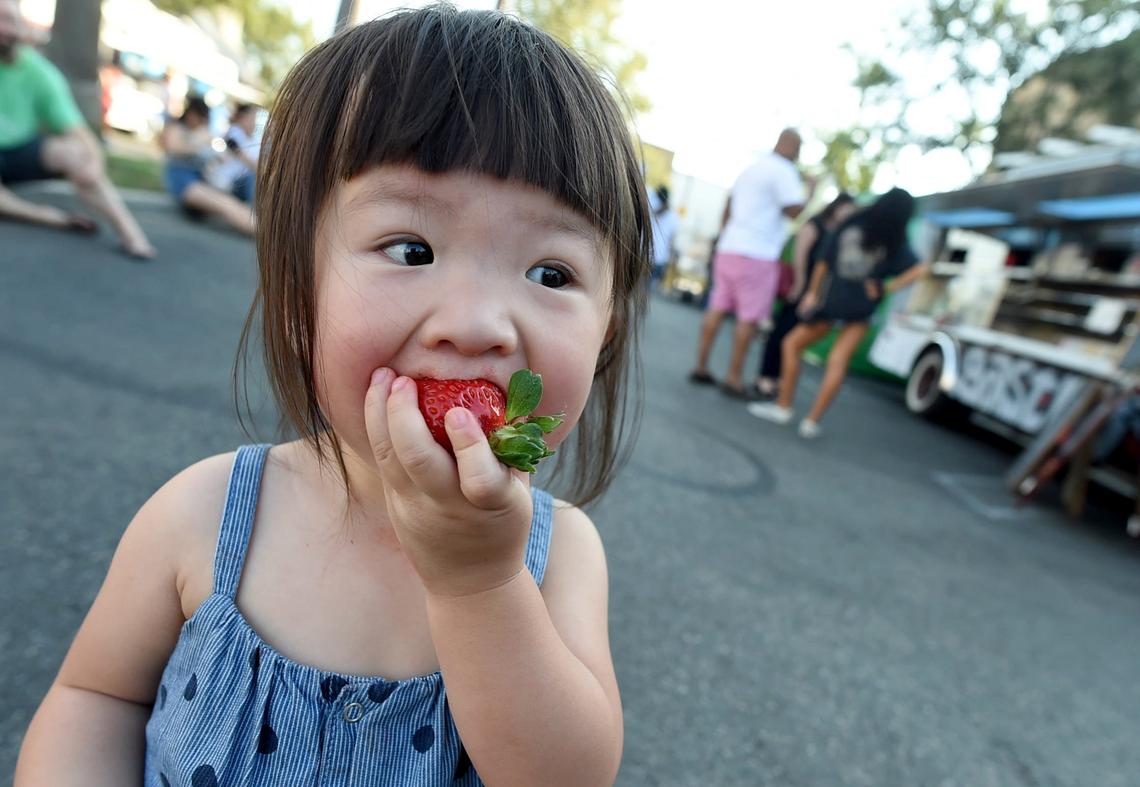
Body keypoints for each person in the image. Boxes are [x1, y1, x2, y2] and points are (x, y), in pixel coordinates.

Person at [15, 6, 647, 786]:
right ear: (297, 292)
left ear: (607, 330)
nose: (478, 325)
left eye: (551, 272)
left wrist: (480, 581)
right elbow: (96, 696)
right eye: (411, 248)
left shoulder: (560, 559)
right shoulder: (206, 514)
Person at [748, 188, 929, 438]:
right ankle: (811, 421)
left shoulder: (853, 222)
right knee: (838, 361)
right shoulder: (896, 237)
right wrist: (886, 287)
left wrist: (813, 292)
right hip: (863, 305)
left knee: (791, 345)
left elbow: (824, 260)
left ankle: (784, 407)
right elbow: (920, 269)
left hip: (832, 299)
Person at [0, 0, 155, 259]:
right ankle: (49, 217)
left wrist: (91, 164)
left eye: (9, 20)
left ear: (22, 28)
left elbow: (78, 131)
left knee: (73, 153)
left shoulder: (40, 74)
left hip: (19, 149)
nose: (4, 28)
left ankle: (131, 234)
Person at [689, 128, 815, 397]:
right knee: (749, 317)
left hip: (729, 247)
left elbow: (728, 208)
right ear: (792, 146)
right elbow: (793, 211)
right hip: (757, 253)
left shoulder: (751, 169)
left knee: (717, 306)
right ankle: (733, 377)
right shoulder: (784, 172)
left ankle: (700, 366)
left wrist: (724, 239)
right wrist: (811, 192)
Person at [752, 193, 856, 399]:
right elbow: (799, 256)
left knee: (793, 337)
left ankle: (779, 379)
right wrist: (800, 284)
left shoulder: (837, 232)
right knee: (781, 333)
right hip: (801, 287)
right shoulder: (815, 225)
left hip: (815, 291)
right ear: (837, 206)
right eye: (847, 209)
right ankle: (765, 377)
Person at [160, 96, 255, 236]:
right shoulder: (176, 128)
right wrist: (200, 142)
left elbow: (219, 155)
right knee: (226, 204)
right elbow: (172, 147)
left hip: (200, 179)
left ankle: (272, 233)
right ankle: (271, 237)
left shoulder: (204, 133)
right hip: (183, 180)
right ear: (191, 114)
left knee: (231, 202)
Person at [210, 102, 260, 204]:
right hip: (230, 181)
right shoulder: (233, 133)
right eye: (252, 118)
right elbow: (244, 157)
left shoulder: (254, 140)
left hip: (241, 182)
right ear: (242, 118)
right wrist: (259, 168)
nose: (254, 123)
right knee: (253, 178)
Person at [648, 184, 679, 290]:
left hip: (657, 258)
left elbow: (672, 240)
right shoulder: (652, 208)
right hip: (648, 255)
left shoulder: (673, 217)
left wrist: (670, 259)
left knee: (645, 288)